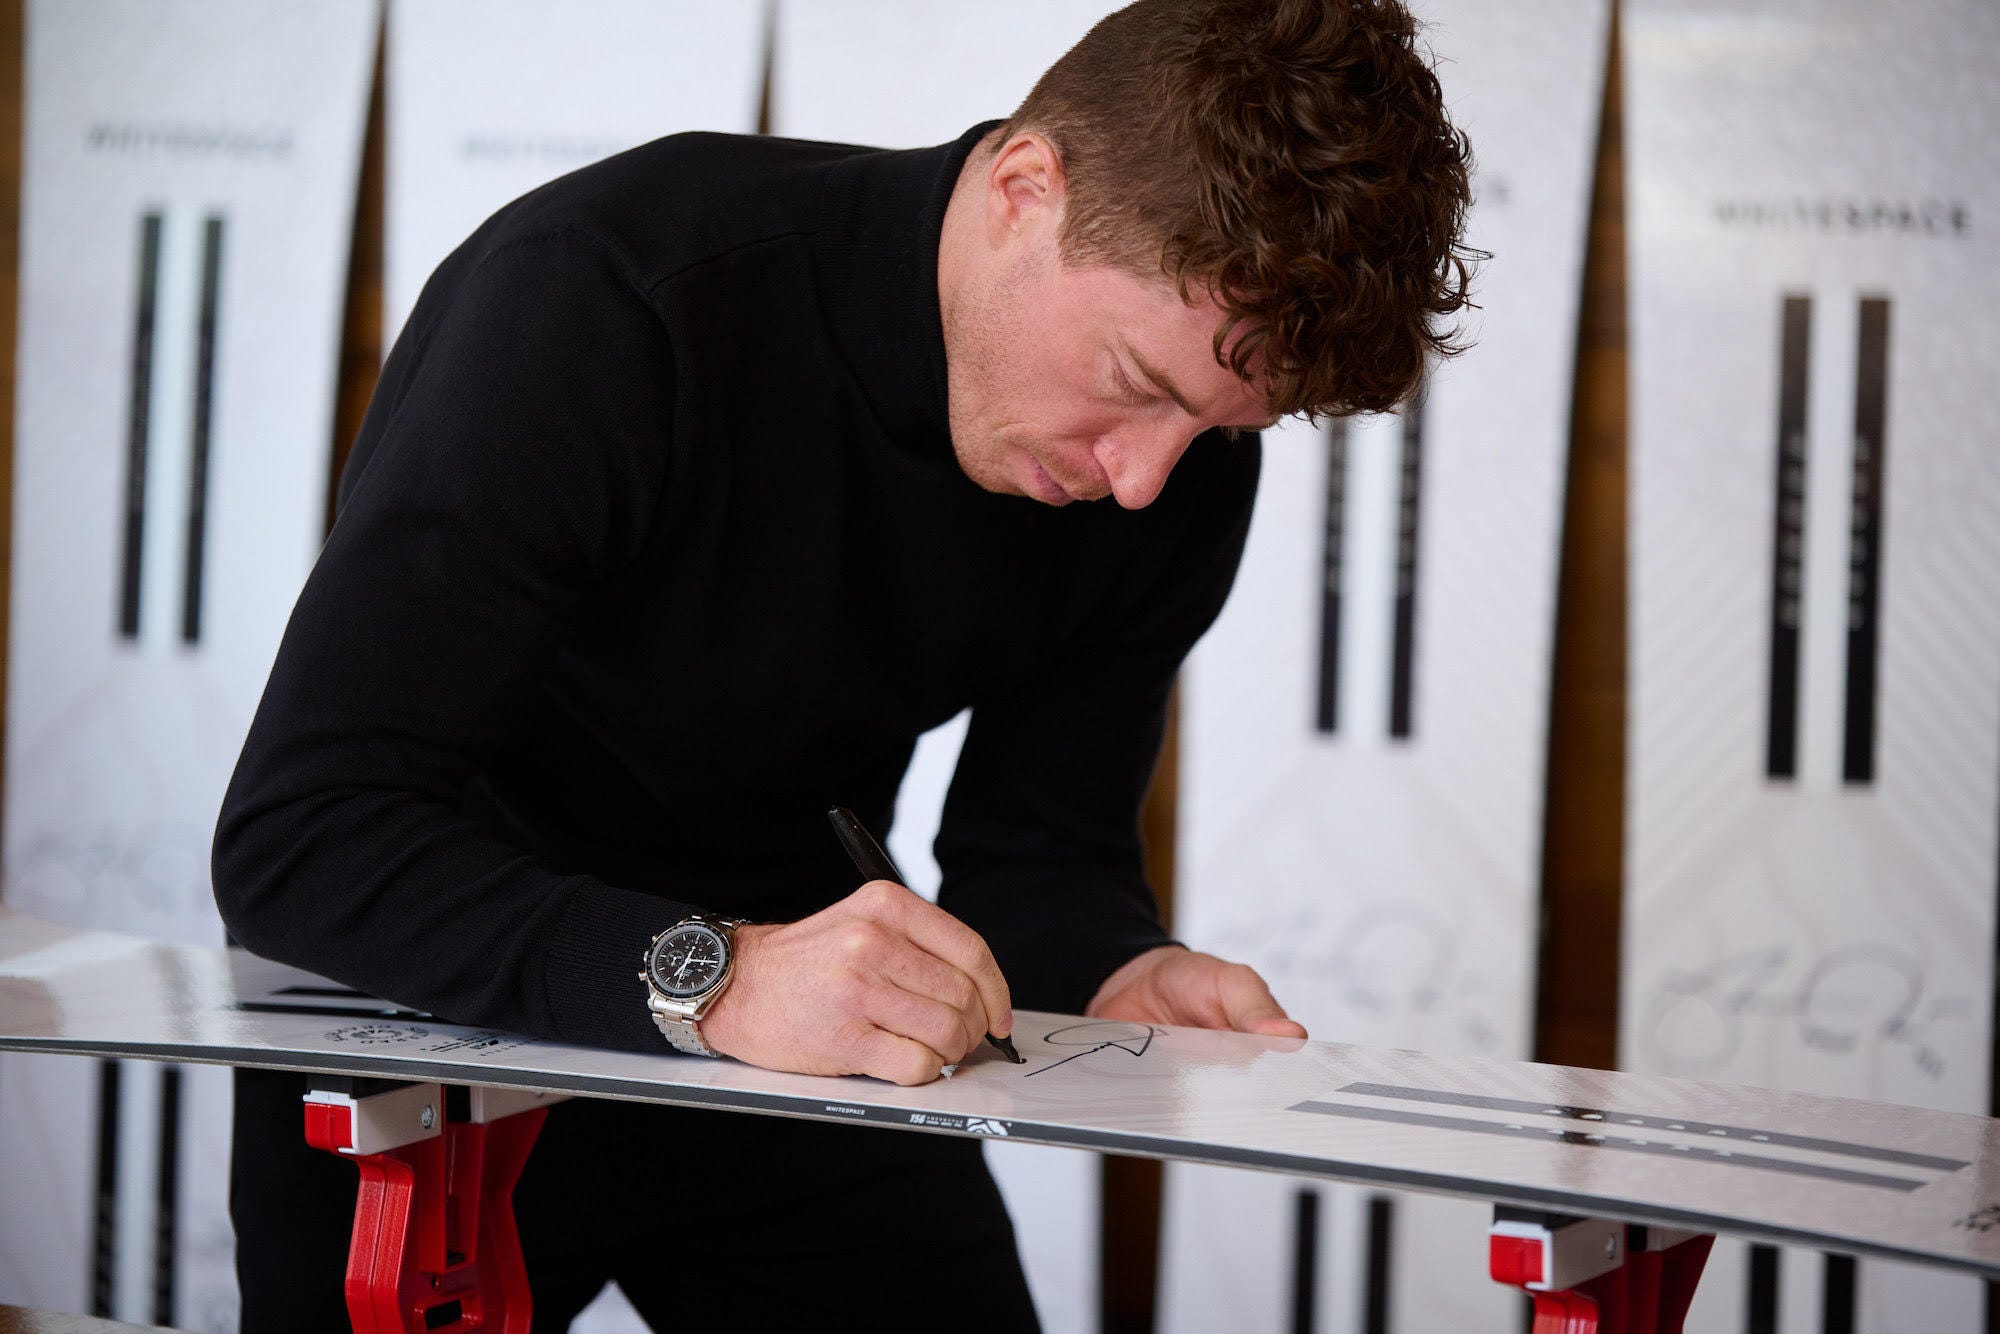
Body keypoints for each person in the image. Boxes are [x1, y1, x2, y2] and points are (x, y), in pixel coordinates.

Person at [212, 0, 1475, 1328]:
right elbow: (305, 836)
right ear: (1025, 190)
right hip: (433, 1002)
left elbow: (1042, 858)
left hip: (807, 1010)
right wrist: (719, 975)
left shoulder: (1176, 474)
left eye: (1215, 426)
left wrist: (1112, 970)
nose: (1142, 480)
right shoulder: (606, 296)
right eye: (1134, 382)